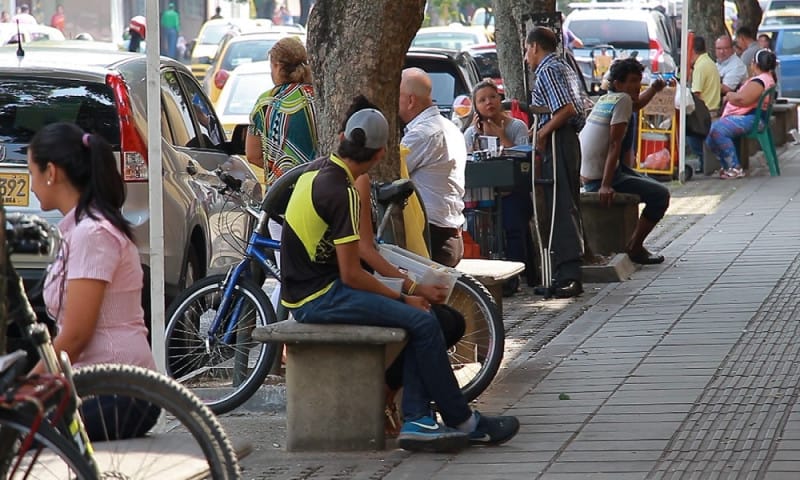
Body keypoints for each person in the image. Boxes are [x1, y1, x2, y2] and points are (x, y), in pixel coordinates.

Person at [280, 104, 519, 453]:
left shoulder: (313, 175)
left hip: (313, 291)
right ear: (379, 155)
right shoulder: (342, 191)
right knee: (423, 320)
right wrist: (406, 297)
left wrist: (408, 290)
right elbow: (352, 274)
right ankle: (455, 421)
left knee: (429, 320)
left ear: (343, 137)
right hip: (320, 298)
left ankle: (420, 415)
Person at [27, 122, 159, 440]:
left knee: (15, 429)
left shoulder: (92, 233)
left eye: (32, 172)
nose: (30, 185)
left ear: (51, 172)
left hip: (119, 392)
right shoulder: (78, 229)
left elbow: (75, 337)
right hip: (99, 386)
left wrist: (26, 389)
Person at [346, 95, 464, 437]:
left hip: (355, 282)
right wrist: (410, 289)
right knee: (431, 321)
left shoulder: (343, 175)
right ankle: (416, 410)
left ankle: (412, 406)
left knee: (444, 321)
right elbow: (362, 255)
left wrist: (408, 285)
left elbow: (366, 251)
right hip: (348, 288)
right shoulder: (353, 179)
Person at [246, 36, 317, 304]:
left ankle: (280, 338)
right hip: (318, 194)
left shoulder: (265, 102)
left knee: (286, 273)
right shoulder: (318, 98)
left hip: (281, 198)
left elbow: (252, 154)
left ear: (277, 66)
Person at [579, 58, 670, 266]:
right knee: (661, 195)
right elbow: (614, 145)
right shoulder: (623, 101)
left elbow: (637, 104)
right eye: (631, 81)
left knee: (646, 182)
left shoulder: (608, 98)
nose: (637, 85)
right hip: (600, 178)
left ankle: (635, 243)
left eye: (639, 80)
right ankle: (634, 247)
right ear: (618, 84)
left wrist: (654, 89)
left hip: (592, 173)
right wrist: (605, 185)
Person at [525, 26, 586, 299]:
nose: (527, 57)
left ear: (535, 47)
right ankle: (565, 271)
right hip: (565, 139)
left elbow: (566, 109)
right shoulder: (563, 66)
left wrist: (544, 131)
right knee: (564, 202)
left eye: (527, 50)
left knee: (561, 204)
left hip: (559, 140)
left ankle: (569, 274)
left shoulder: (548, 69)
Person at [462, 79, 533, 280]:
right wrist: (479, 136)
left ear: (500, 98)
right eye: (482, 100)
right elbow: (469, 161)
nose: (489, 103)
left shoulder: (517, 126)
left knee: (514, 226)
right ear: (475, 106)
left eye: (492, 97)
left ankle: (518, 273)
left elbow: (522, 158)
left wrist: (501, 136)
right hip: (483, 193)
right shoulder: (470, 132)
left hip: (513, 191)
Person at [399, 67, 467, 268]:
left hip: (432, 237)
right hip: (448, 233)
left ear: (410, 100)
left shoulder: (422, 134)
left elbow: (388, 175)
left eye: (398, 96)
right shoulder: (449, 127)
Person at [706, 49, 777, 179]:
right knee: (710, 133)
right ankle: (727, 166)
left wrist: (730, 95)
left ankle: (734, 167)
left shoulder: (760, 81)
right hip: (751, 117)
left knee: (718, 130)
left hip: (753, 118)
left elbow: (743, 100)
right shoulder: (767, 79)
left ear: (755, 64)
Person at [688, 36, 721, 173]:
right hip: (713, 107)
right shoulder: (709, 62)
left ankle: (703, 159)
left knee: (687, 131)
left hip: (706, 112)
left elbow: (696, 94)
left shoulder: (700, 67)